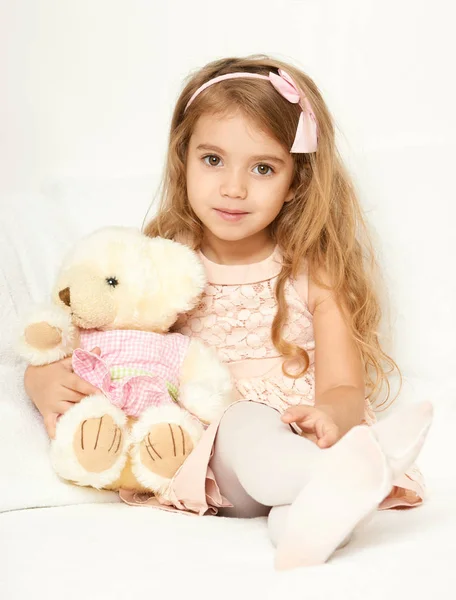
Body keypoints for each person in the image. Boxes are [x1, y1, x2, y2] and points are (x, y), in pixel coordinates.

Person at [24, 55, 433, 570]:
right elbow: (96, 336)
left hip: (304, 443)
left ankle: (313, 523)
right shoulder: (163, 264)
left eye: (263, 168)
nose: (234, 187)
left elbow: (345, 388)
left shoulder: (314, 270)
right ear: (183, 159)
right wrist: (41, 376)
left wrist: (332, 416)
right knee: (245, 424)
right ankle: (351, 475)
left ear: (296, 180)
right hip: (213, 455)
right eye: (213, 160)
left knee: (302, 509)